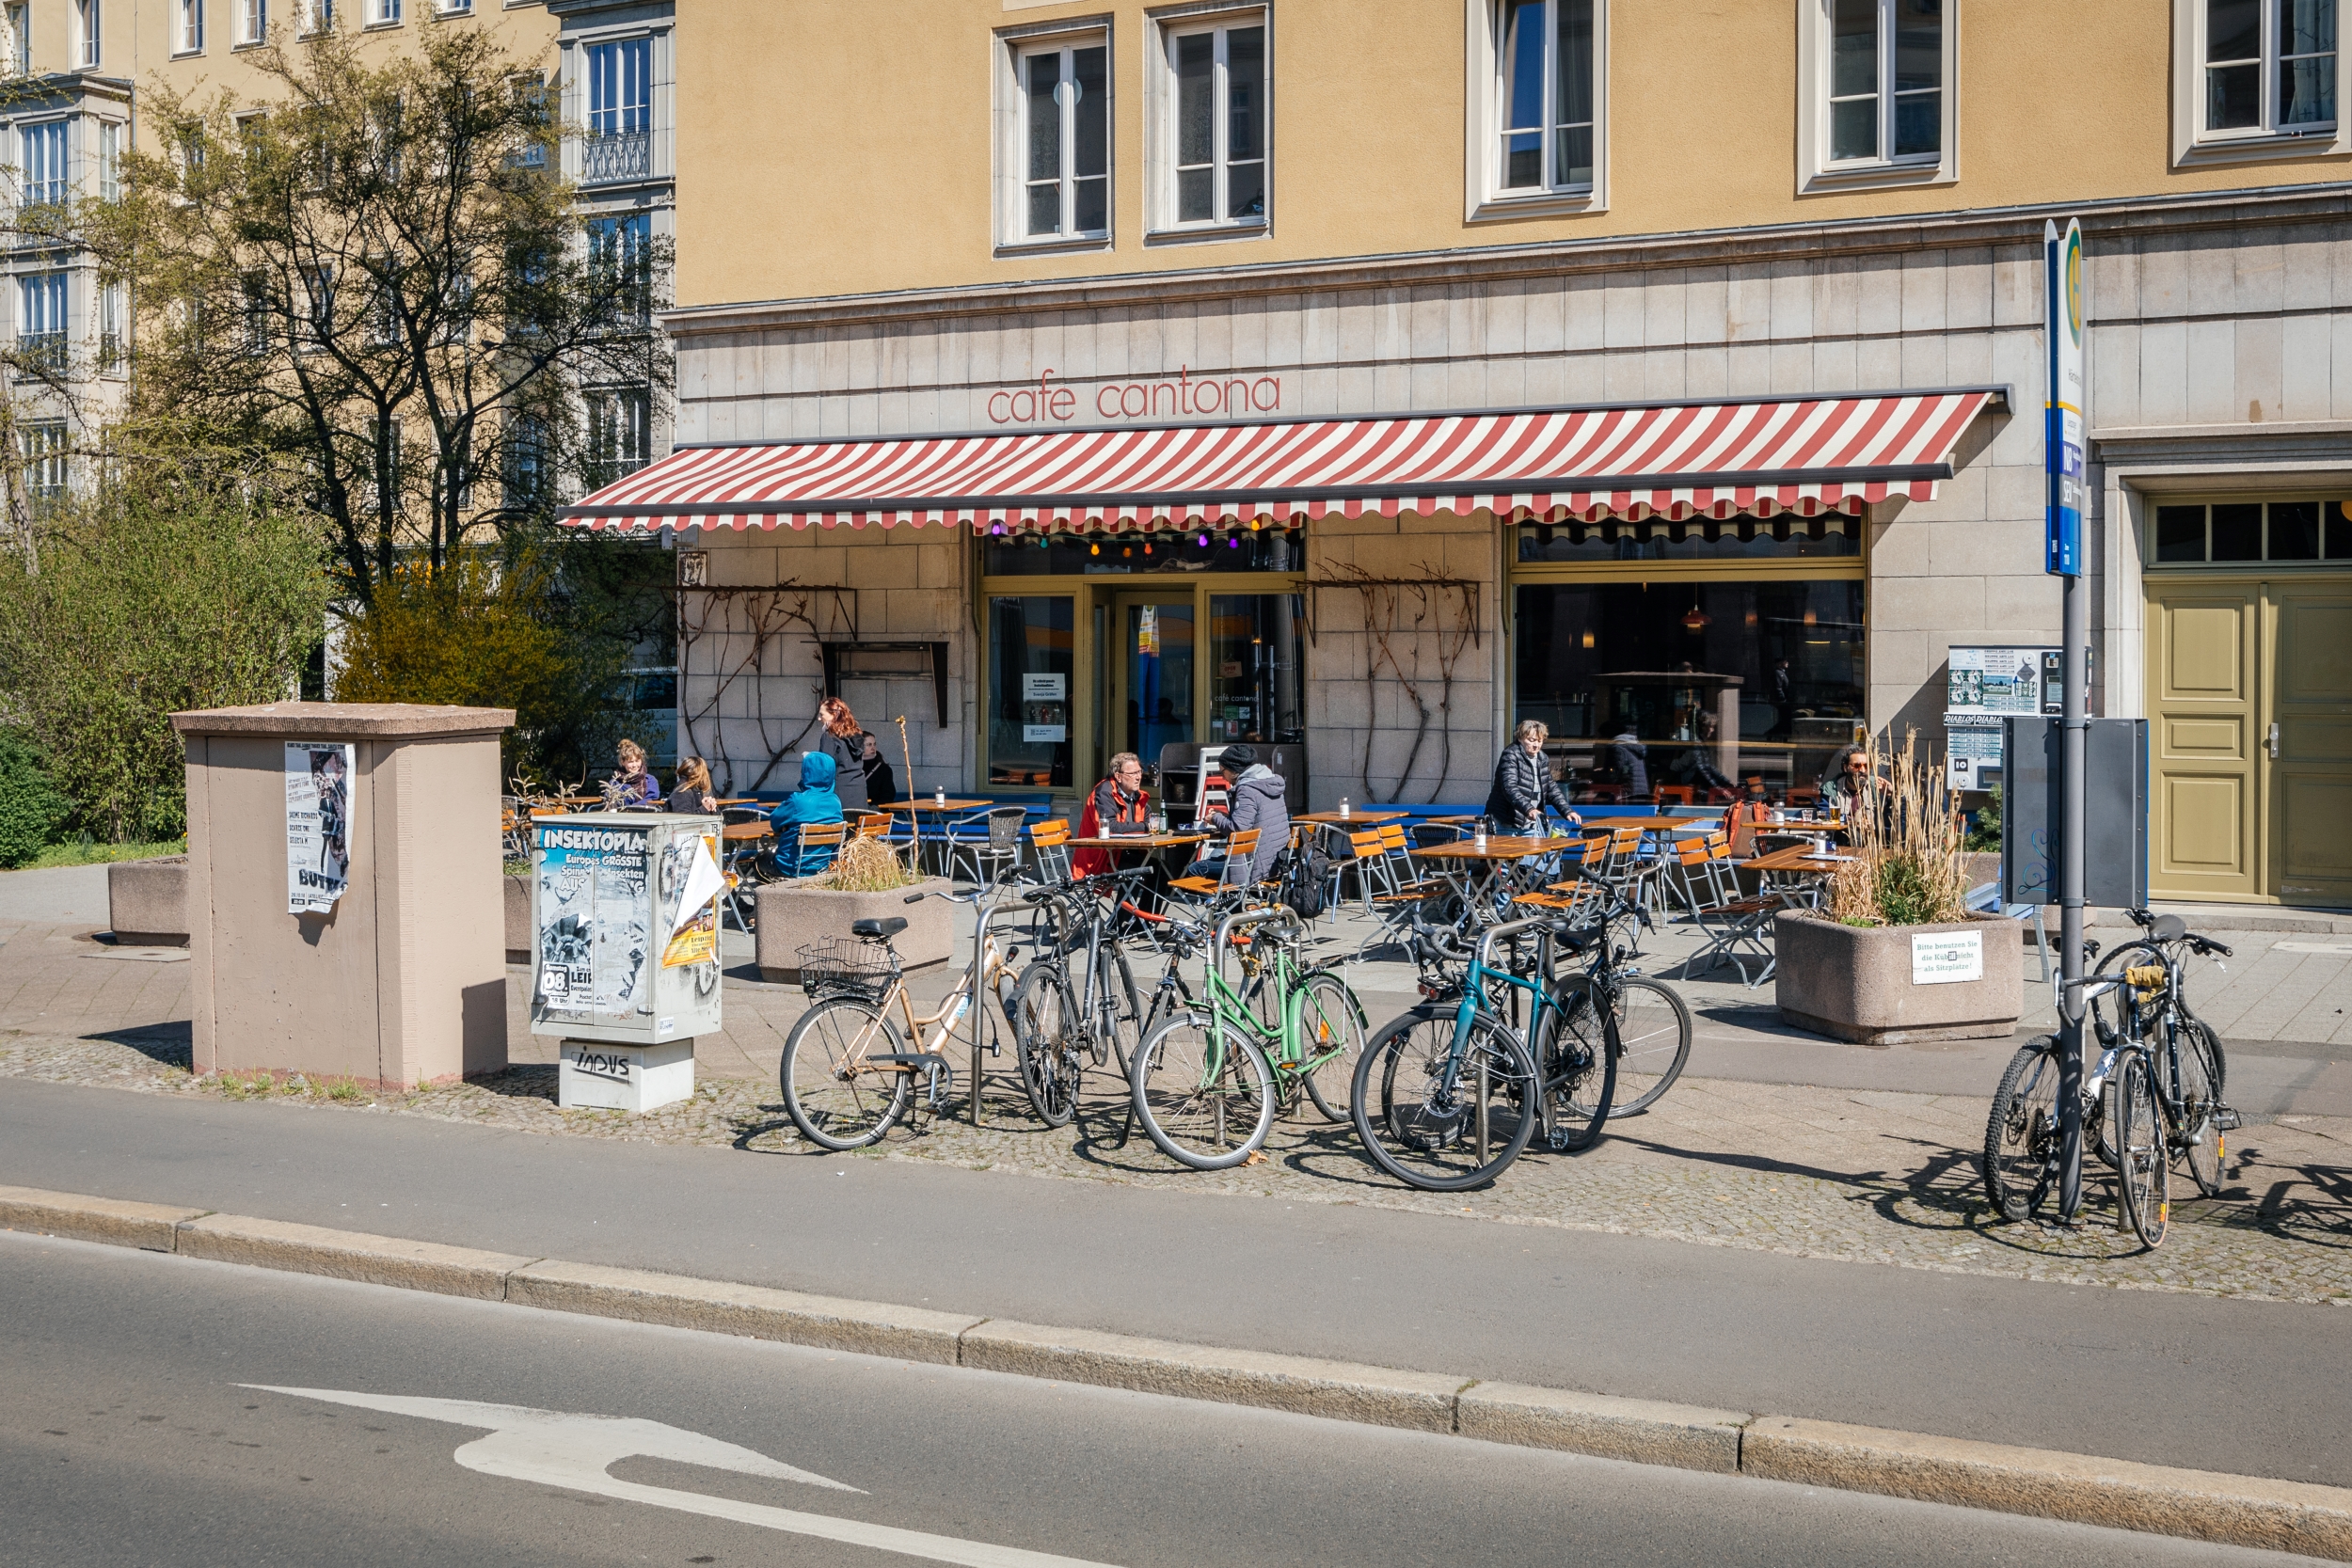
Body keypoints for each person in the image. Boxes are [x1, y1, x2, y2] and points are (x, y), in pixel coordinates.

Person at [1183, 744, 1288, 886]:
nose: (1222, 777)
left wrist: (1215, 818)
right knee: (1216, 855)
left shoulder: (1247, 789)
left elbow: (1237, 829)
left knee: (1195, 868)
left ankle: (1220, 906)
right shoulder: (1270, 783)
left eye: (1223, 772)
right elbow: (1250, 820)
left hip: (1255, 867)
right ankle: (1229, 904)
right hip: (1277, 862)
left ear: (1234, 770)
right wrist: (1223, 816)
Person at [1484, 720, 1580, 835]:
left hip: (1530, 823)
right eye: (1532, 740)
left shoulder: (1542, 758)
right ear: (1520, 738)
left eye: (1540, 741)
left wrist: (1567, 811)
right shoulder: (1510, 755)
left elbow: (1551, 788)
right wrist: (1529, 809)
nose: (1536, 745)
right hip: (1506, 822)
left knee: (1536, 853)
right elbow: (1509, 788)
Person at [769, 750, 846, 877]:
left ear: (807, 772)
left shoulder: (797, 800)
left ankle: (771, 896)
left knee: (758, 862)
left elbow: (775, 822)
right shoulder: (835, 802)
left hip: (790, 867)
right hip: (822, 867)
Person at [1073, 752, 1150, 879]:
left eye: (1139, 772)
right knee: (1139, 870)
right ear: (1118, 777)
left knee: (1160, 869)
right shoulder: (1104, 793)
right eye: (1132, 774)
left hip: (1123, 852)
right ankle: (1125, 900)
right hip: (1101, 858)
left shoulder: (1136, 794)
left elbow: (1148, 817)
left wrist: (1149, 825)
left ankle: (1132, 899)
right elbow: (1109, 827)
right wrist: (1145, 827)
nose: (1138, 777)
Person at [815, 697, 869, 813]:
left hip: (838, 796)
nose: (819, 718)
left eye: (822, 715)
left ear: (834, 715)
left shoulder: (829, 737)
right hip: (859, 793)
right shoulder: (856, 735)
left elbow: (825, 769)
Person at [1670, 713, 1736, 799]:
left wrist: (1726, 782)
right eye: (1711, 727)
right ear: (1703, 727)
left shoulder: (1701, 743)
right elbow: (1702, 770)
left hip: (1691, 777)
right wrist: (1718, 788)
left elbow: (1709, 767)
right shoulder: (1696, 744)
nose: (1712, 730)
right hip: (1684, 779)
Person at [1822, 745, 1893, 816]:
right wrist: (1851, 821)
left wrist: (1890, 796)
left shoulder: (1876, 786)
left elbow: (1889, 819)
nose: (1862, 770)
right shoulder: (1832, 788)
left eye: (1866, 766)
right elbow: (1825, 815)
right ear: (1845, 768)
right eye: (1856, 766)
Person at [610, 738, 660, 809]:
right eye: (630, 762)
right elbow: (612, 803)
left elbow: (651, 799)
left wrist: (632, 808)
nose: (634, 765)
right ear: (623, 762)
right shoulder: (615, 783)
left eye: (637, 761)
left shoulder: (650, 780)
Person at [1603, 728, 1649, 800]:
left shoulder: (1618, 748)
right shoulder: (1632, 746)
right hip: (1640, 792)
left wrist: (1604, 775)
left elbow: (1615, 772)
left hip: (1628, 794)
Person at [858, 733, 898, 806]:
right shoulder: (853, 767)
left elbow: (888, 795)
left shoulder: (884, 769)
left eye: (874, 744)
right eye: (869, 745)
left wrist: (875, 807)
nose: (873, 748)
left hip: (875, 810)